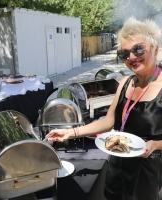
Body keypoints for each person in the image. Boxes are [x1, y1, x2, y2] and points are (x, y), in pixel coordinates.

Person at [47, 17, 162, 200]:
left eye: (138, 49)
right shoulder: (125, 82)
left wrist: (156, 145)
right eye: (125, 54)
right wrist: (70, 132)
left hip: (149, 171)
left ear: (155, 48)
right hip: (118, 164)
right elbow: (108, 122)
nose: (131, 57)